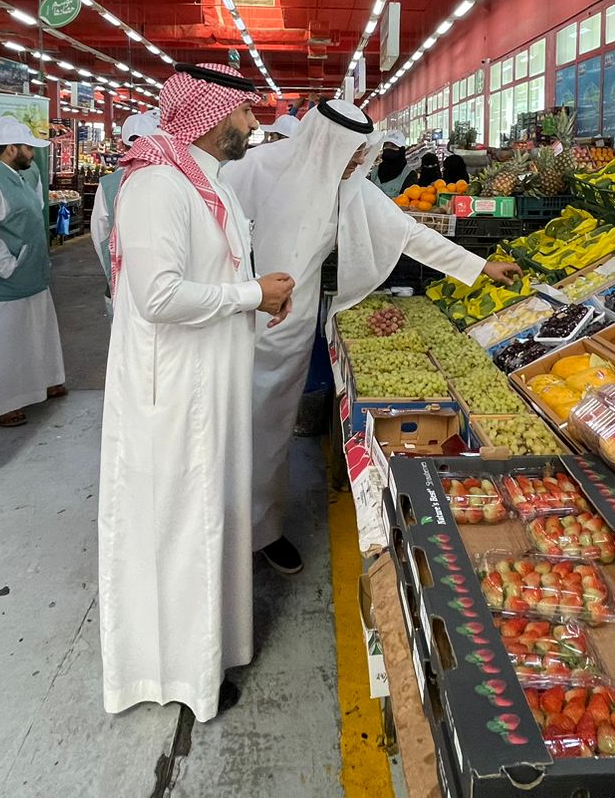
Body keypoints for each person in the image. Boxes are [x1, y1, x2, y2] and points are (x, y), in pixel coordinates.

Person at [227, 100, 523, 574]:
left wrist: (480, 265)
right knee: (220, 430)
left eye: (362, 152)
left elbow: (408, 233)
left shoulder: (349, 187)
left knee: (269, 434)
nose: (359, 161)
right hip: (232, 316)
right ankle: (213, 532)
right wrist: (241, 292)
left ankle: (262, 531)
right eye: (352, 151)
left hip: (289, 330)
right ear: (326, 142)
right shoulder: (253, 168)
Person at [99, 63, 295, 723]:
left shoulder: (206, 181)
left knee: (209, 522)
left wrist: (257, 298)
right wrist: (249, 295)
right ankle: (179, 673)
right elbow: (158, 296)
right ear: (210, 116)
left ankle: (211, 653)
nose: (253, 122)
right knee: (180, 529)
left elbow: (216, 275)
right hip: (173, 395)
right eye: (244, 110)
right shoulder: (157, 184)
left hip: (209, 387)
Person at [0, 115, 67, 427]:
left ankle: (43, 383)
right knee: (4, 343)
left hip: (31, 276)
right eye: (28, 148)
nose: (32, 154)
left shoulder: (14, 173)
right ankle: (3, 404)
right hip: (5, 281)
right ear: (11, 149)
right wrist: (7, 265)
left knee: (34, 335)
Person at [91, 110, 156, 286]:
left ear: (123, 144)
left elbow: (100, 234)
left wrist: (111, 272)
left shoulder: (108, 184)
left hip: (122, 281)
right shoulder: (172, 177)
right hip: (163, 280)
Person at [369, 132, 409, 198]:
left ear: (402, 150)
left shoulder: (409, 174)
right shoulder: (375, 171)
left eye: (394, 146)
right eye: (386, 146)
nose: (389, 149)